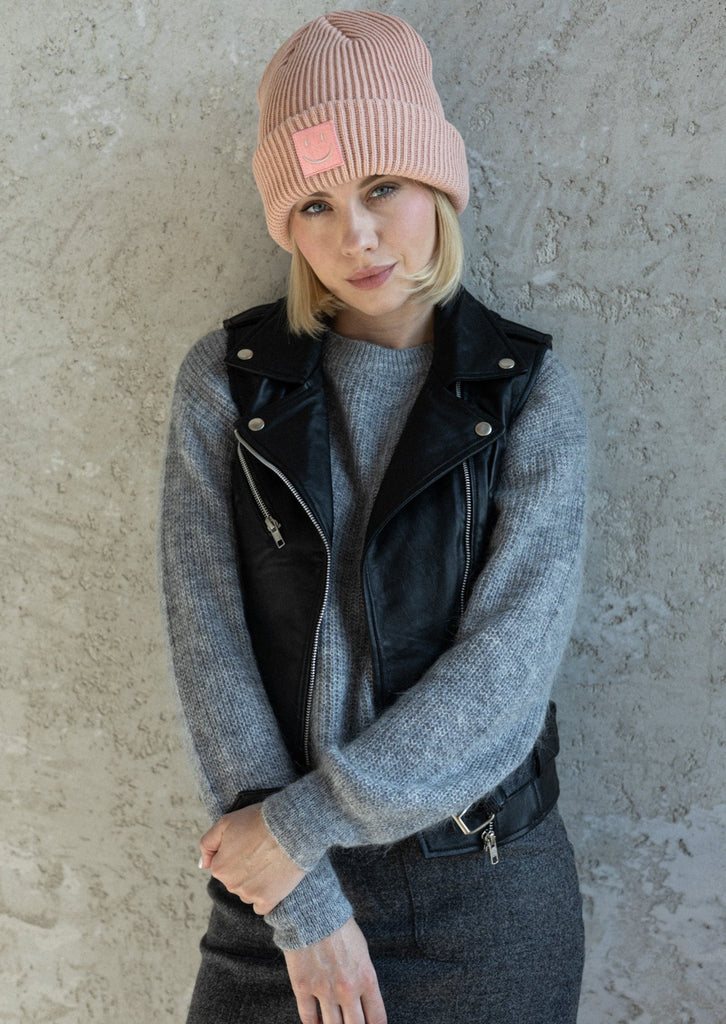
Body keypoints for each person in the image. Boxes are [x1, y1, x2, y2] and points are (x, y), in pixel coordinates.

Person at [159, 11, 587, 1024]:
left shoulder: (525, 393)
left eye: (382, 186)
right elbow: (208, 645)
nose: (354, 235)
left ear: (438, 183)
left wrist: (300, 825)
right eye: (315, 204)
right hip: (277, 899)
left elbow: (506, 674)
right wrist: (301, 898)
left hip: (482, 894)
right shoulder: (228, 387)